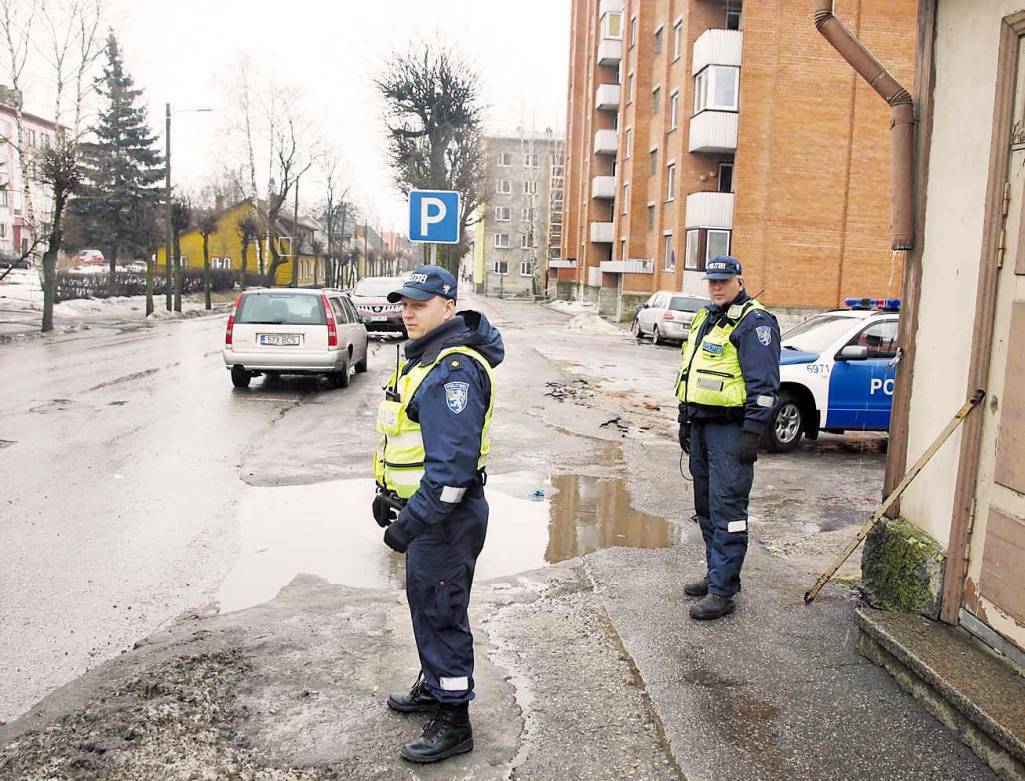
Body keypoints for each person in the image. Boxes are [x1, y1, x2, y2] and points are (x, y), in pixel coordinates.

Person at [371, 264, 504, 763]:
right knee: (427, 605)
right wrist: (388, 493)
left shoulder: (454, 370)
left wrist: (409, 524)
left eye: (419, 304)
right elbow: (410, 445)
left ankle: (453, 718)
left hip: (444, 518)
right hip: (427, 514)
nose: (407, 312)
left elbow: (452, 474)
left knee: (442, 611)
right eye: (403, 304)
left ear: (448, 307)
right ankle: (435, 684)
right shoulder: (424, 359)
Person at [675, 255, 780, 620]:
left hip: (732, 431)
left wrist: (753, 433)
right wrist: (685, 418)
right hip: (703, 426)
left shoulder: (755, 323)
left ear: (740, 280)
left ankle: (724, 589)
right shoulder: (707, 317)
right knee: (705, 507)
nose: (717, 286)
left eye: (724, 280)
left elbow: (764, 387)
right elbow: (692, 371)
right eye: (712, 281)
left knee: (728, 509)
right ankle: (716, 571)